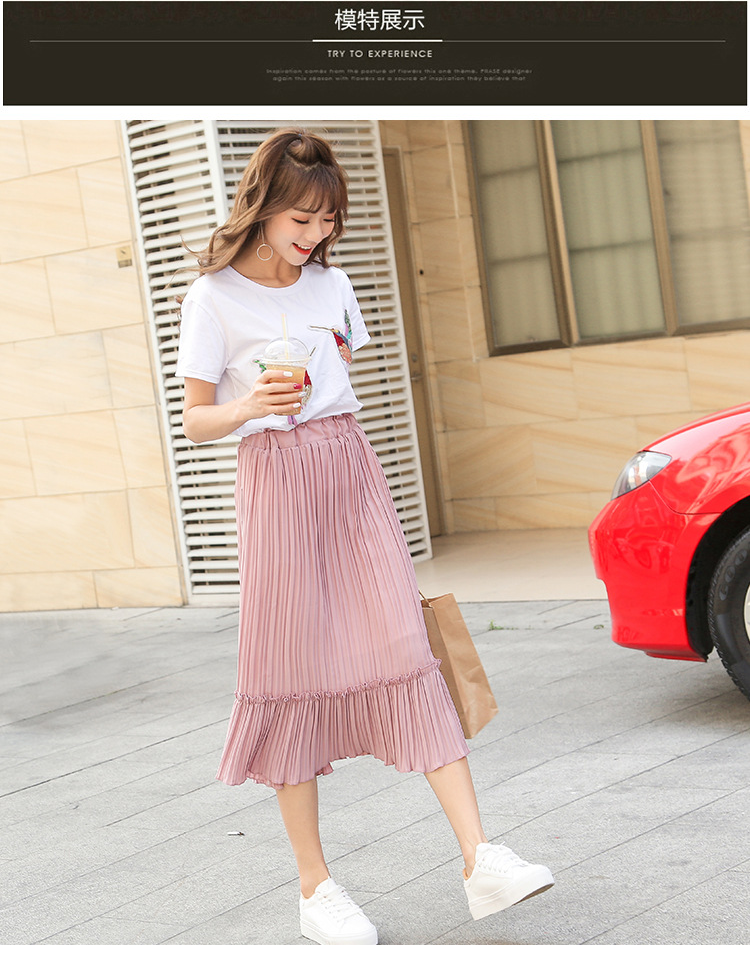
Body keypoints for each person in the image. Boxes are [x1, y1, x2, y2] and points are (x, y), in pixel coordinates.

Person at [175, 127, 553, 945]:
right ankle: (315, 887)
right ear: (264, 207)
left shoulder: (333, 283)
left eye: (327, 221)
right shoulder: (213, 297)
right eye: (301, 220)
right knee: (286, 670)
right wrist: (250, 407)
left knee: (404, 645)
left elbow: (339, 375)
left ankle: (480, 857)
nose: (314, 236)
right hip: (275, 477)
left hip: (348, 467)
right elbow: (195, 418)